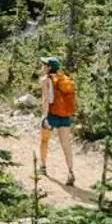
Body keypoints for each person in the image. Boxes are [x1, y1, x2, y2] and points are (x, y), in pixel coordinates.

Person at [38, 56, 77, 186]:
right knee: (66, 144)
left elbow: (45, 99)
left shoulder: (45, 80)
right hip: (65, 115)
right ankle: (70, 171)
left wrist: (44, 117)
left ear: (49, 68)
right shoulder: (64, 79)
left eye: (44, 64)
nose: (42, 66)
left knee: (44, 141)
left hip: (51, 114)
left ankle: (42, 167)